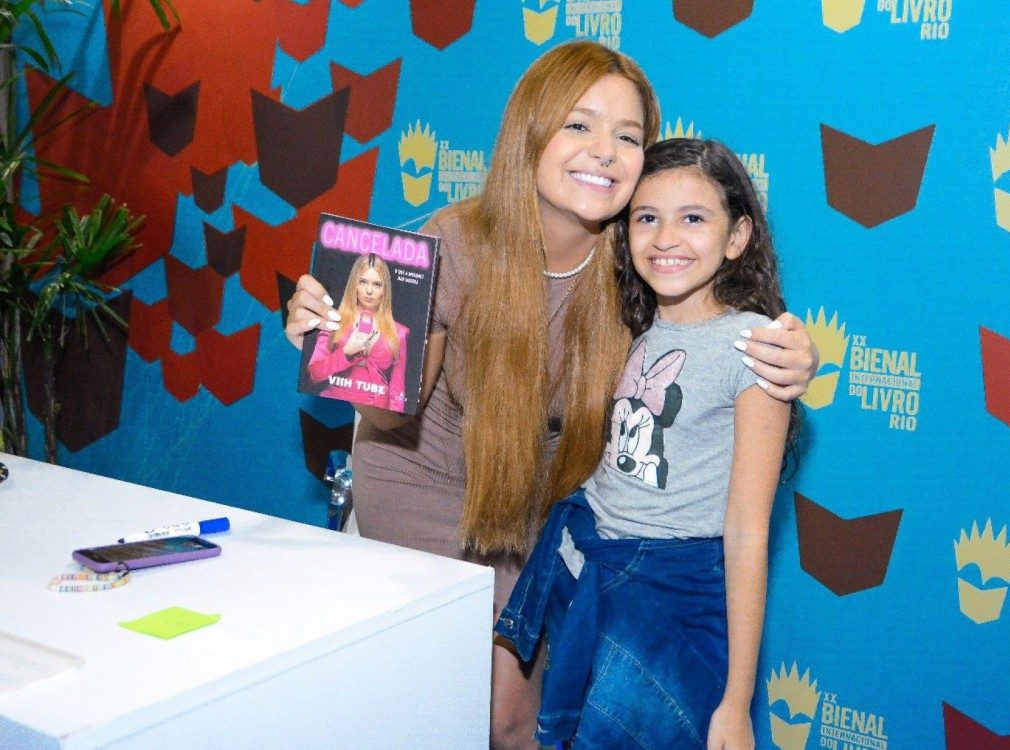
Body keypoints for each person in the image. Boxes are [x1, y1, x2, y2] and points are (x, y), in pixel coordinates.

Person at [284, 42, 816, 750]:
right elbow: (389, 413)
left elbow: (717, 343)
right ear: (530, 132)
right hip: (429, 485)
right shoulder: (457, 242)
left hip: (550, 507)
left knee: (531, 718)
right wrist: (333, 346)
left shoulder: (640, 262)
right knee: (457, 709)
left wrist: (789, 358)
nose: (603, 151)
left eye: (628, 136)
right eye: (578, 125)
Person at [496, 137, 794, 749]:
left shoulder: (758, 348)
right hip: (589, 566)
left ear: (737, 238)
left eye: (693, 218)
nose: (666, 238)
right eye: (647, 218)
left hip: (675, 590)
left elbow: (745, 528)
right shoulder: (632, 327)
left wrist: (736, 703)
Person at [306, 253, 407, 412]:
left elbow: (397, 392)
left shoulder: (399, 333)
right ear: (354, 284)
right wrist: (346, 352)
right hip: (335, 404)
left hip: (377, 412)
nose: (369, 290)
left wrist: (389, 420)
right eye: (363, 281)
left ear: (385, 290)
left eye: (377, 284)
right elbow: (315, 373)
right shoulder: (334, 321)